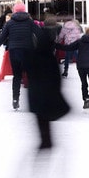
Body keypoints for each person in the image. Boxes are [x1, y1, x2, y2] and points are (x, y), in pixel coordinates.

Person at [24, 16, 70, 150]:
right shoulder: (50, 58)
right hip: (47, 93)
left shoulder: (34, 54)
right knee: (45, 116)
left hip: (36, 93)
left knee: (41, 117)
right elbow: (56, 77)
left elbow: (28, 69)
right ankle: (46, 140)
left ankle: (45, 140)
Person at [0, 2, 36, 109]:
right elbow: (39, 33)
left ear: (14, 11)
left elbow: (2, 37)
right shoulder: (30, 22)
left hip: (14, 51)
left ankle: (15, 99)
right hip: (27, 51)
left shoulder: (10, 23)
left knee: (17, 76)